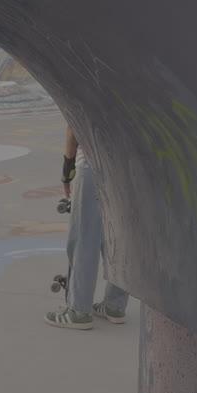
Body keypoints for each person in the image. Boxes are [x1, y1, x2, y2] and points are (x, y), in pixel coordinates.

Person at [45, 126, 130, 330]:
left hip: (93, 161)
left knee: (84, 236)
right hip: (125, 163)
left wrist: (68, 168)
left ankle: (78, 310)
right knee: (119, 236)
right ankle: (115, 305)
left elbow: (74, 124)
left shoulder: (88, 91)